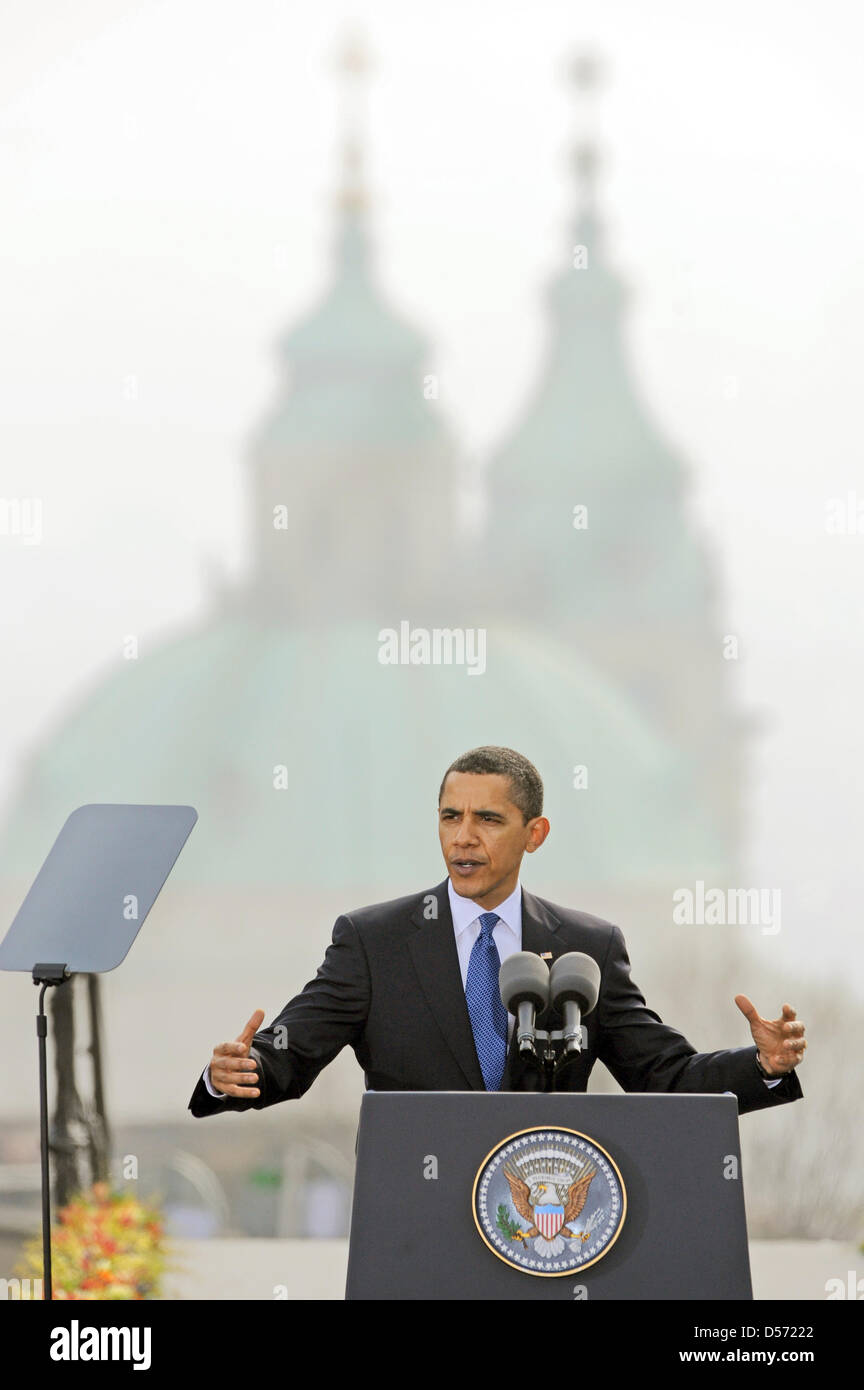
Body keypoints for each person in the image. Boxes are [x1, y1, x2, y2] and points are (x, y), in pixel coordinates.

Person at [188, 746, 805, 1120]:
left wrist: (764, 1065)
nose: (463, 837)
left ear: (534, 834)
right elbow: (289, 1055)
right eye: (450, 817)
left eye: (488, 819)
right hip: (416, 1221)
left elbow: (662, 1075)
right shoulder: (373, 942)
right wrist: (235, 1074)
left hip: (546, 1222)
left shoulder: (585, 949)